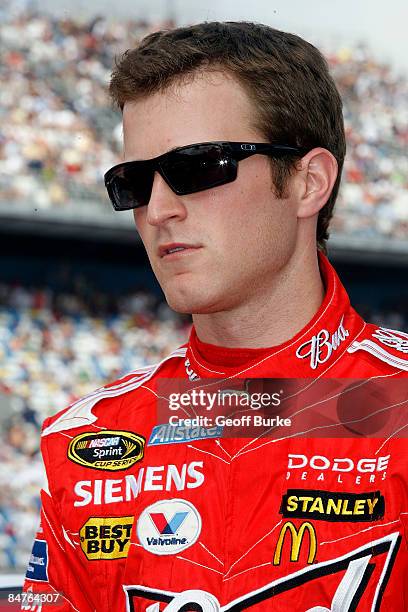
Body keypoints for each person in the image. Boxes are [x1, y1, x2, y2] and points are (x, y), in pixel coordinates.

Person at [23, 21, 407, 611]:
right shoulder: (87, 440)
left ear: (309, 183)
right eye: (134, 182)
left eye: (199, 167)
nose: (158, 210)